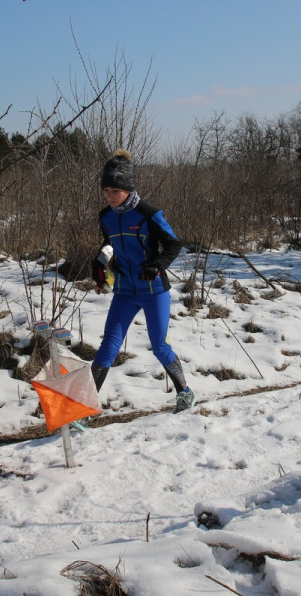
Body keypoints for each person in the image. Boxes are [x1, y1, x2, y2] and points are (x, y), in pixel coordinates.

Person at [90, 149, 196, 413]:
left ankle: (185, 392)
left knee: (160, 347)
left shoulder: (149, 214)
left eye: (114, 191)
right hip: (125, 291)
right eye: (105, 192)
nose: (109, 197)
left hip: (154, 290)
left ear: (126, 189)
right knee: (108, 348)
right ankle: (86, 407)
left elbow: (173, 244)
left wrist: (156, 264)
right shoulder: (106, 216)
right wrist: (101, 261)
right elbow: (110, 244)